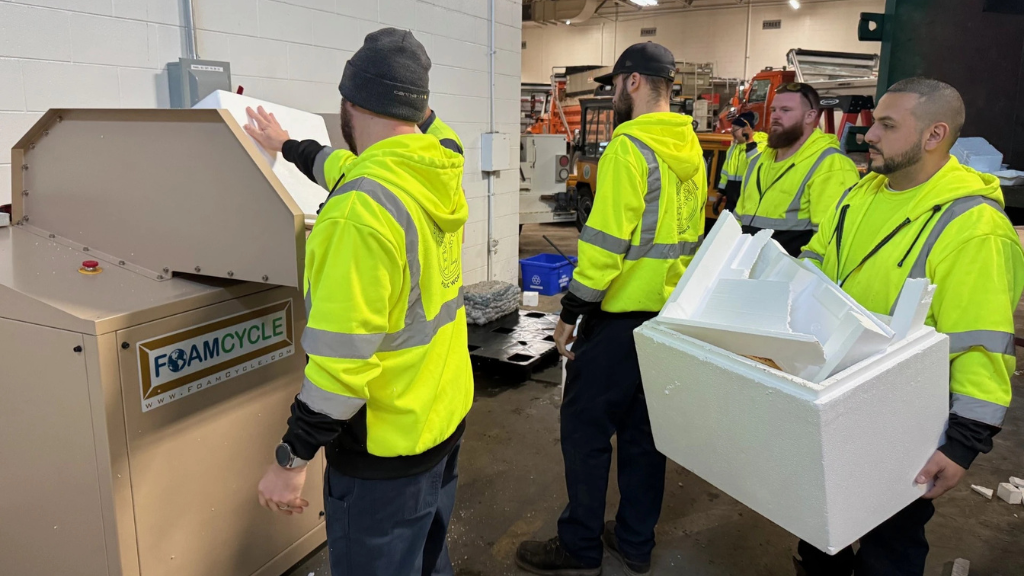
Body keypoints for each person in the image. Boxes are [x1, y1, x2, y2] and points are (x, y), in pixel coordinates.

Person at [244, 28, 473, 576]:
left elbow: (341, 364)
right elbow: (345, 165)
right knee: (429, 560)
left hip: (384, 456)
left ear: (349, 103)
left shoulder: (358, 214)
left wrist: (292, 460)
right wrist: (290, 147)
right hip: (441, 423)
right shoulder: (438, 164)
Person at [797, 78, 1023, 575]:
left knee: (889, 547)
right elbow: (817, 263)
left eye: (886, 124)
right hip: (829, 396)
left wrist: (964, 443)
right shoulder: (860, 195)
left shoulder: (973, 226)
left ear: (934, 134)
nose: (868, 134)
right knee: (817, 536)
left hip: (902, 422)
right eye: (874, 120)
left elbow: (981, 342)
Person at [516, 42, 706, 576]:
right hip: (670, 319)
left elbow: (603, 246)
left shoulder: (629, 148)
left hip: (620, 319)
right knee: (647, 436)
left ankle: (579, 548)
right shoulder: (689, 150)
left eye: (616, 85)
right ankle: (634, 543)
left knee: (584, 430)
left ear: (635, 82)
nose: (615, 96)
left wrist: (571, 310)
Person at [734, 82, 861, 256]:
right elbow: (738, 221)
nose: (776, 117)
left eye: (785, 110)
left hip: (790, 277)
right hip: (745, 273)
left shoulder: (830, 165)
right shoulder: (759, 161)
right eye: (773, 110)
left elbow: (830, 241)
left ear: (810, 116)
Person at [715, 111, 768, 213]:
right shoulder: (733, 148)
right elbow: (725, 172)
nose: (732, 133)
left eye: (735, 130)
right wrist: (720, 193)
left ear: (746, 130)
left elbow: (756, 162)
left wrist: (750, 140)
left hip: (748, 201)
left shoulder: (761, 144)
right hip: (732, 200)